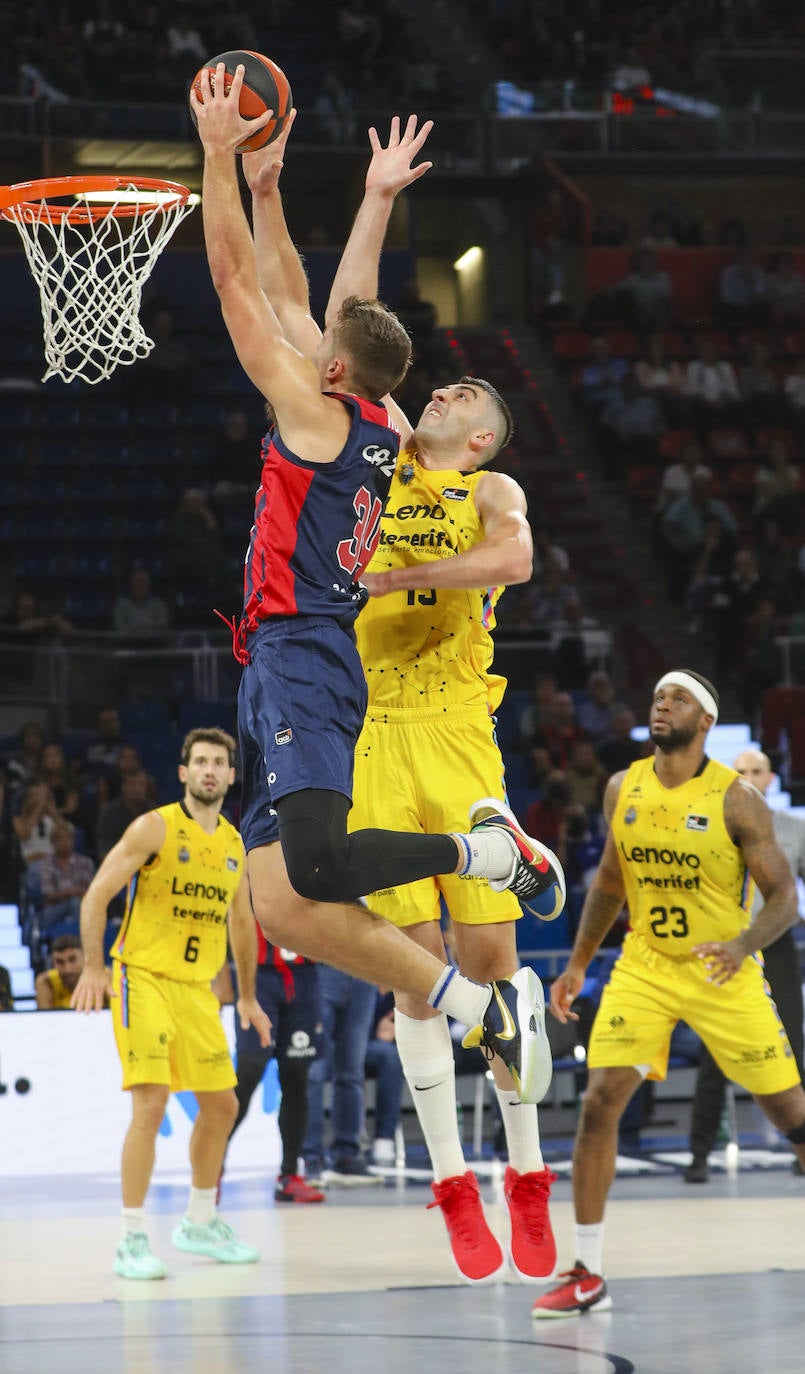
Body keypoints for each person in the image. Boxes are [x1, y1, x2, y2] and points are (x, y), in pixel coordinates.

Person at [237, 103, 568, 1279]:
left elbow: (515, 562)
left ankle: (526, 1173)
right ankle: (452, 1185)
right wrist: (373, 200)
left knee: (488, 962)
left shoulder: (489, 493)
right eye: (443, 387)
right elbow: (342, 318)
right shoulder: (369, 434)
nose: (447, 394)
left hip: (456, 728)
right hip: (367, 718)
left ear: (483, 440)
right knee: (413, 970)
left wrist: (404, 574)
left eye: (466, 399)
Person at [532, 670, 805, 1319]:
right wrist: (577, 965)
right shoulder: (621, 786)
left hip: (721, 969)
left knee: (788, 1113)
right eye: (657, 695)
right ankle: (587, 1273)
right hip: (646, 965)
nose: (662, 704)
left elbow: (784, 899)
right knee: (600, 1102)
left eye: (678, 698)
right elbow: (608, 882)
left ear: (705, 720)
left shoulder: (737, 800)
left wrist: (741, 945)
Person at [70, 728, 271, 1280]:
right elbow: (96, 894)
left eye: (219, 762)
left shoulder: (235, 845)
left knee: (222, 1106)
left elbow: (242, 922)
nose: (210, 770)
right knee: (151, 1103)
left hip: (197, 991)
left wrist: (247, 996)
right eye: (200, 761)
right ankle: (131, 1238)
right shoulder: (153, 827)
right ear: (183, 773)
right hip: (142, 979)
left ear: (231, 776)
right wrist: (93, 966)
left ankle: (200, 1221)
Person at [684, 747, 805, 1182]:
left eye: (757, 771)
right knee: (714, 1053)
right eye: (740, 772)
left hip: (775, 944)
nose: (749, 778)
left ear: (771, 778)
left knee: (793, 1043)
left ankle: (802, 1147)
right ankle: (699, 1154)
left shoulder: (793, 828)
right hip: (726, 946)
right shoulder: (708, 826)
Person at [225, 925, 324, 1204]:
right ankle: (211, 1168)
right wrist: (222, 972)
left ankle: (289, 1175)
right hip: (257, 975)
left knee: (297, 1077)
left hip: (304, 975)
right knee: (249, 1070)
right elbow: (230, 914)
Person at [302, 967, 383, 1185]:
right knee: (314, 1071)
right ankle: (311, 1157)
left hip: (363, 973)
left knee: (352, 1073)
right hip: (321, 969)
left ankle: (347, 1154)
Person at [39, 819, 95, 936]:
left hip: (82, 906)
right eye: (60, 839)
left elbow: (92, 892)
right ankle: (79, 939)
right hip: (54, 910)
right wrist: (69, 893)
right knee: (74, 903)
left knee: (78, 905)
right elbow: (48, 895)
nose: (64, 842)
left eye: (68, 838)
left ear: (73, 840)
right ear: (53, 842)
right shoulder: (46, 864)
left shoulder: (85, 862)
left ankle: (78, 938)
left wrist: (79, 893)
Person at [35, 932, 99, 1009]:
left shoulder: (102, 978)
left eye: (72, 959)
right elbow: (45, 1016)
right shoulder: (46, 982)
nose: (67, 969)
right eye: (59, 962)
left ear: (85, 958)